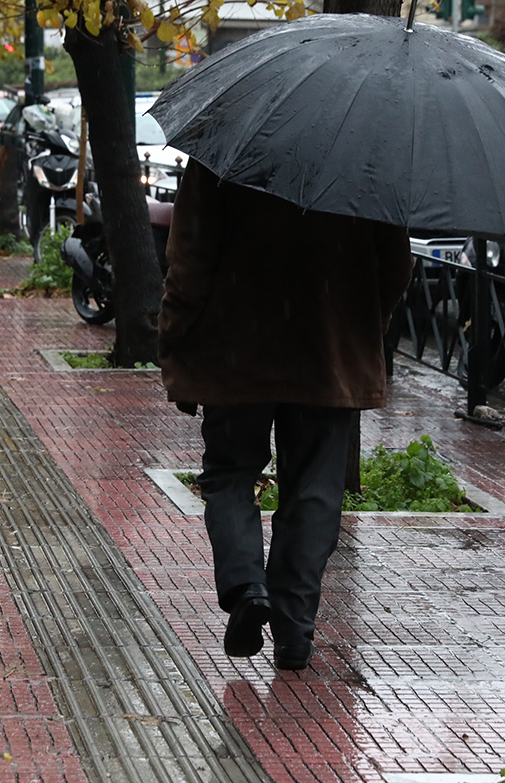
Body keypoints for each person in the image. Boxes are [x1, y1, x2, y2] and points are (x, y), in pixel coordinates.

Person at [158, 160, 414, 671]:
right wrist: (361, 330)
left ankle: (247, 586)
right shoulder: (365, 157)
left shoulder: (226, 151)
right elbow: (394, 266)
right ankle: (295, 634)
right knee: (315, 489)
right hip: (327, 351)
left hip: (237, 347)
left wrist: (176, 337)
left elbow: (189, 257)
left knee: (230, 473)